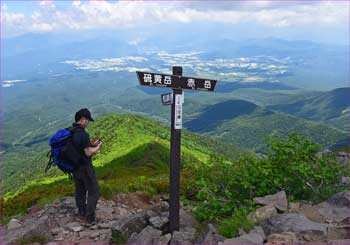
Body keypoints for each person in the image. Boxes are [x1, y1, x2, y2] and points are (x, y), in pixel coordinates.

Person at [71, 108, 101, 224]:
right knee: (94, 191)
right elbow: (88, 152)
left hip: (75, 168)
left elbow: (79, 148)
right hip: (85, 168)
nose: (88, 123)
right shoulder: (82, 134)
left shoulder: (71, 131)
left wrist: (90, 144)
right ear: (83, 119)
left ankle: (81, 212)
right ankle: (90, 219)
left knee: (80, 190)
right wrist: (97, 148)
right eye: (88, 120)